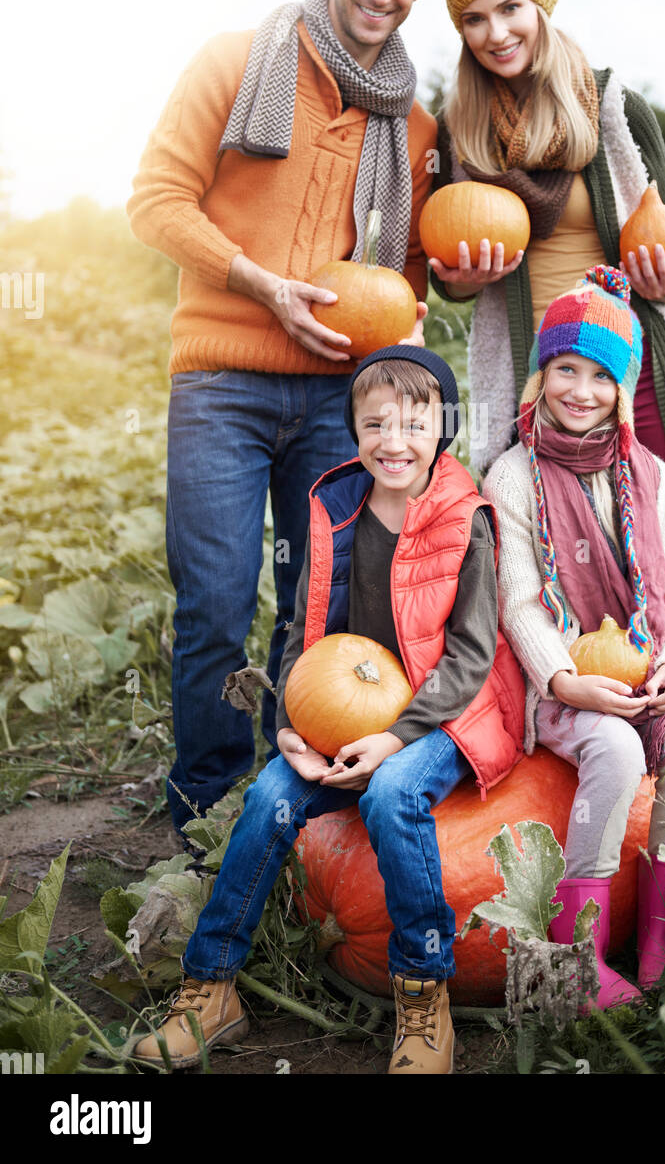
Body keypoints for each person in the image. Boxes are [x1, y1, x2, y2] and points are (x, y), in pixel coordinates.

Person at [126, 0, 439, 836]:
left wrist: (444, 291)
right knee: (217, 601)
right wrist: (258, 282)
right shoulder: (235, 63)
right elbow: (154, 200)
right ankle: (207, 806)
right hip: (221, 381)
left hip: (336, 395)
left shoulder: (416, 127)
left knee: (318, 604)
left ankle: (288, 798)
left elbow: (419, 270)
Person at [131, 346, 525, 1074]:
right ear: (352, 428)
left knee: (393, 793)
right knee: (270, 800)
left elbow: (471, 657)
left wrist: (395, 738)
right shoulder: (331, 508)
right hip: (339, 709)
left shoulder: (464, 517)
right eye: (374, 423)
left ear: (443, 427)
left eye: (414, 422)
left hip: (442, 715)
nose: (393, 440)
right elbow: (297, 631)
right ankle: (211, 987)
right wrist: (287, 725)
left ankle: (421, 990)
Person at [428, 0, 665, 644]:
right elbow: (450, 262)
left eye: (509, 8)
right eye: (473, 19)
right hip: (533, 362)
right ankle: (578, 679)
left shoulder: (609, 103)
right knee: (552, 526)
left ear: (540, 5)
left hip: (628, 350)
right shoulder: (459, 130)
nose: (495, 32)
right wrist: (460, 283)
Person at [483, 268, 665, 1007]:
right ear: (539, 376)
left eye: (599, 376)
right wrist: (562, 679)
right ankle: (574, 951)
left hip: (642, 667)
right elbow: (520, 603)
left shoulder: (649, 475)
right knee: (613, 748)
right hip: (563, 683)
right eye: (564, 370)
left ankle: (660, 933)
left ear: (622, 389)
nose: (580, 390)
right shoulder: (511, 475)